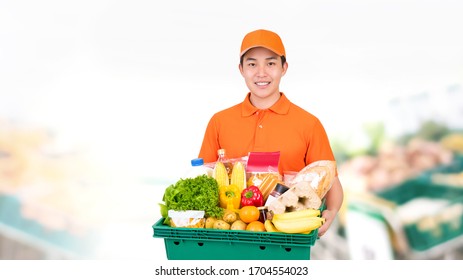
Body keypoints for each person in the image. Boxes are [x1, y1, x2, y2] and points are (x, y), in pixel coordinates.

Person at [198, 29, 344, 237]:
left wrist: (332, 211)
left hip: (288, 235)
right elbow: (203, 178)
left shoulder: (309, 124)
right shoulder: (219, 122)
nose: (261, 72)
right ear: (241, 69)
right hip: (231, 234)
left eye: (271, 63)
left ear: (284, 68)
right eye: (251, 64)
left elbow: (330, 181)